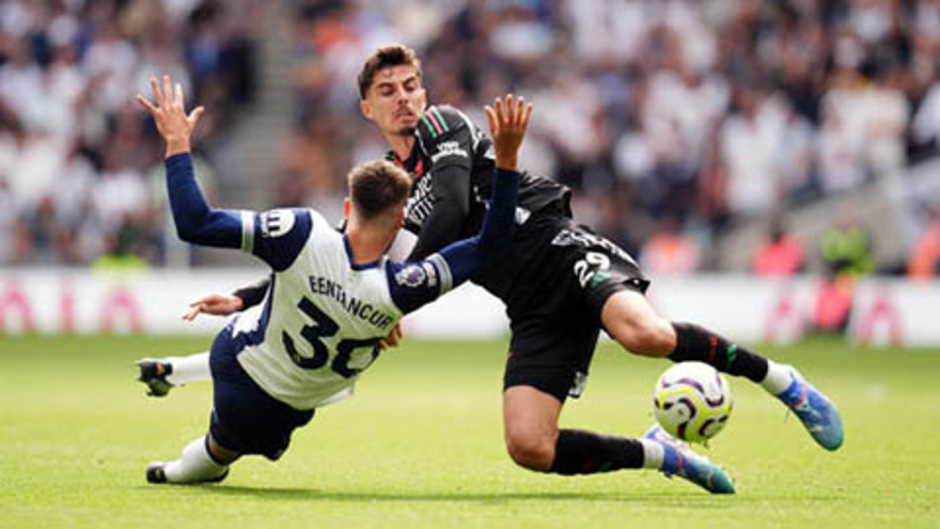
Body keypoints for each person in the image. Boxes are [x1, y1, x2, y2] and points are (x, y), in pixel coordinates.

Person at [144, 44, 844, 491]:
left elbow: (447, 207)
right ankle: (665, 454)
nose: (407, 97)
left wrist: (390, 298)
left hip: (560, 248)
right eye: (389, 91)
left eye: (412, 83)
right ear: (366, 107)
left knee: (645, 336)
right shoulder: (381, 181)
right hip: (527, 304)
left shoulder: (447, 126)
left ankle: (782, 381)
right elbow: (330, 262)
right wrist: (246, 296)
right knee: (528, 447)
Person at [135, 75, 530, 484]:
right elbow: (490, 244)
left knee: (276, 314)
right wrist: (506, 161)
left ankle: (175, 370)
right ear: (400, 222)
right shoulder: (398, 292)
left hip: (237, 358)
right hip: (285, 407)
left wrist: (177, 142)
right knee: (219, 452)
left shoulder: (301, 232)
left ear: (347, 205)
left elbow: (195, 223)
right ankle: (173, 466)